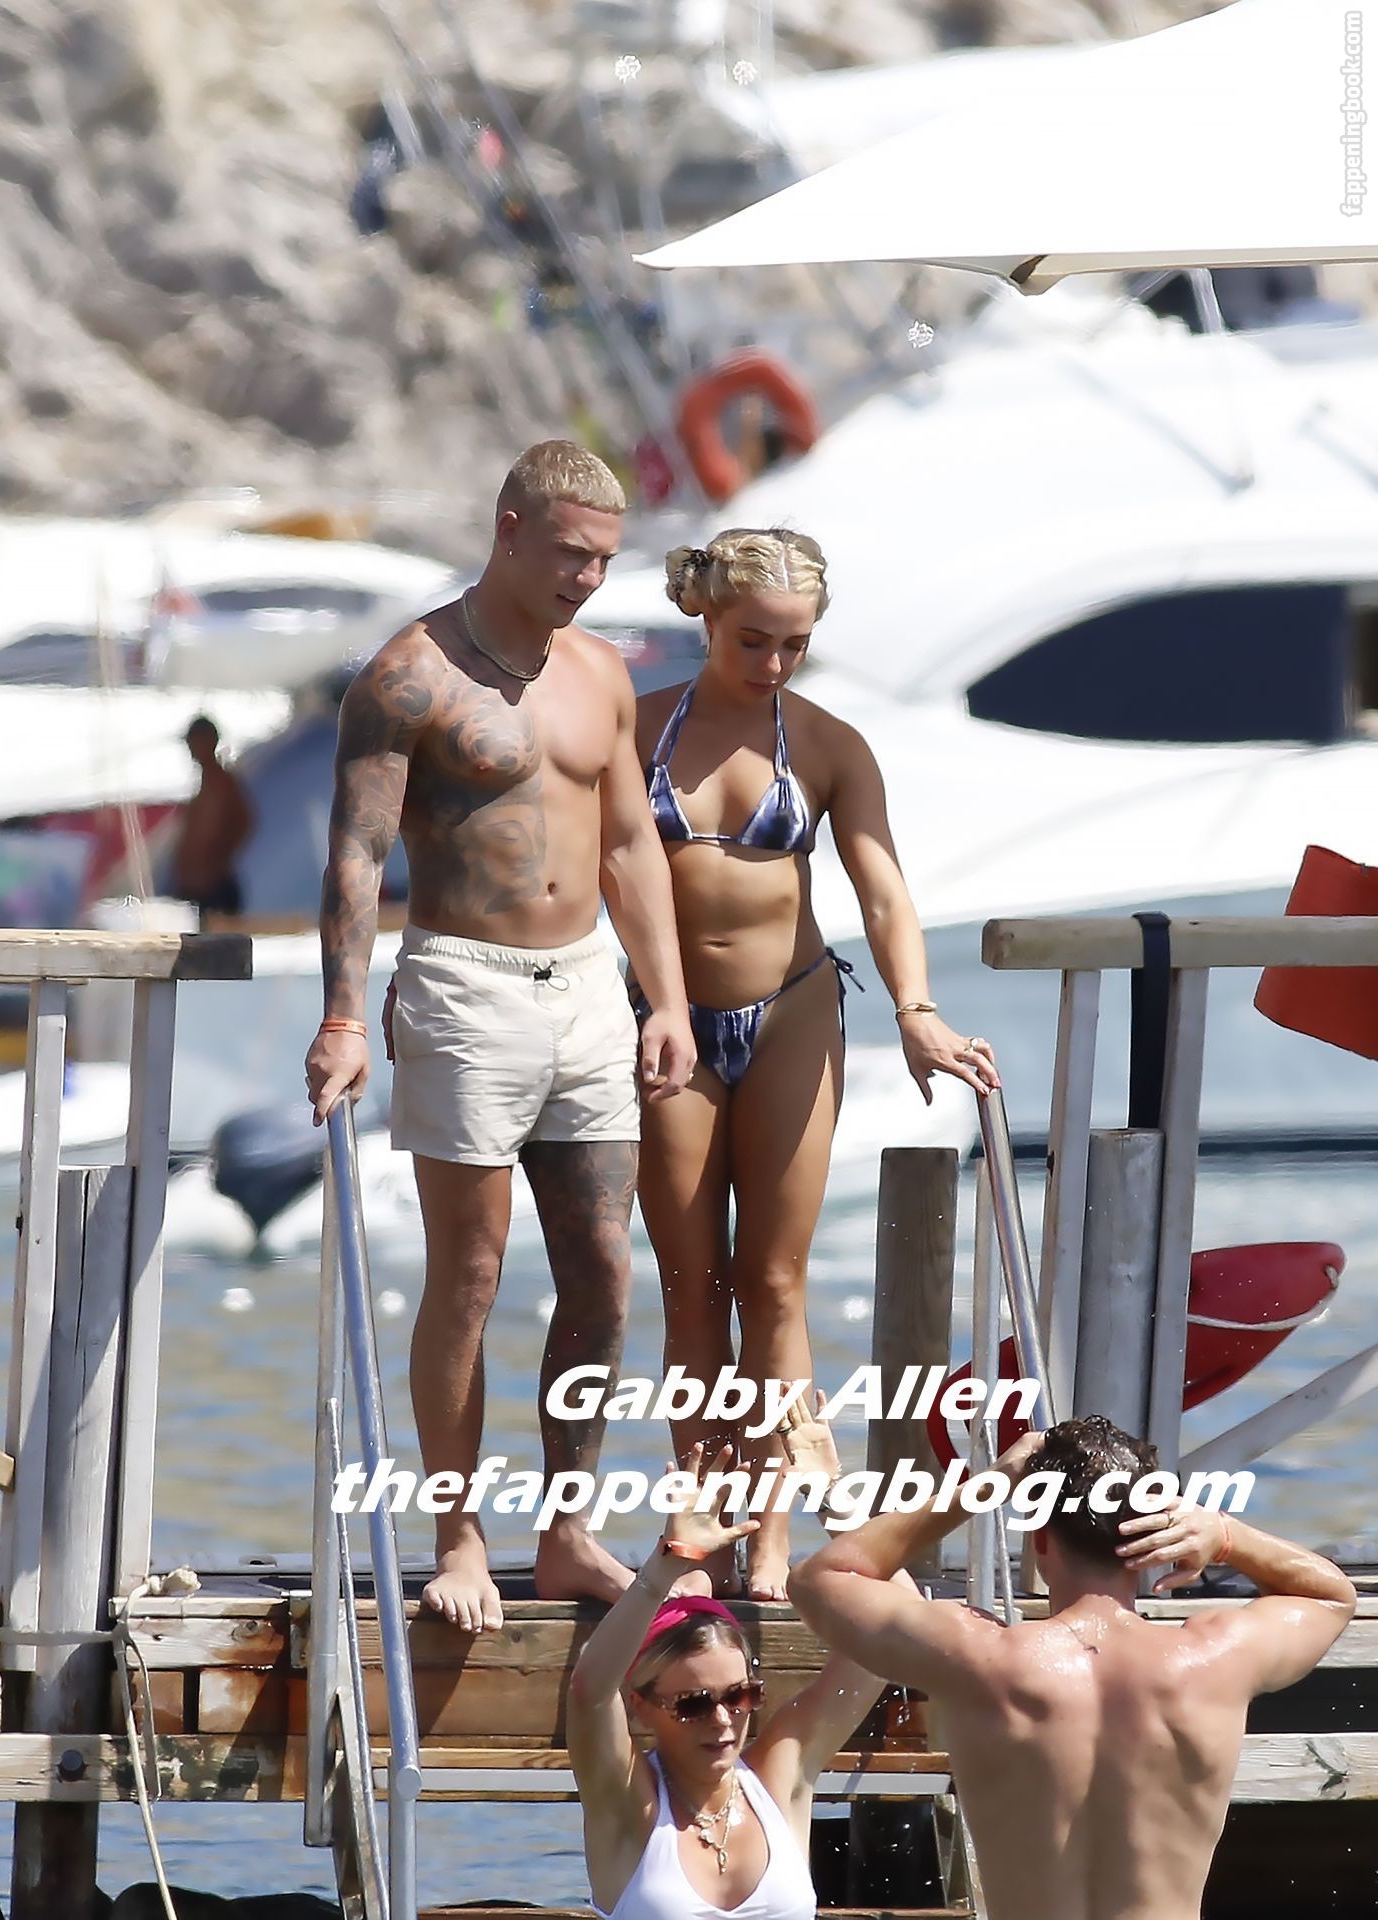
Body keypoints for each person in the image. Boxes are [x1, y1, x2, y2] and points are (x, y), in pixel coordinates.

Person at [304, 441, 696, 1632]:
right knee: (468, 1275)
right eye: (570, 554)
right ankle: (458, 1535)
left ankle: (567, 1531)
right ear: (508, 529)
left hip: (584, 987)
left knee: (603, 1271)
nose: (587, 578)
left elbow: (627, 843)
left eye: (604, 560)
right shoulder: (408, 676)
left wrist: (665, 999)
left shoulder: (600, 672)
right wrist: (341, 1014)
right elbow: (357, 853)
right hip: (465, 986)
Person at [634, 528, 999, 1601]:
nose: (774, 663)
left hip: (793, 1011)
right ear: (708, 617)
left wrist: (916, 1010)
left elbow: (882, 889)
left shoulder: (830, 745)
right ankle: (697, 1509)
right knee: (691, 1286)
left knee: (773, 1279)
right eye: (754, 640)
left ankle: (772, 1528)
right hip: (665, 1019)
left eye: (794, 645)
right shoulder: (638, 729)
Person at [788, 1413, 1357, 1920]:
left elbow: (822, 1578)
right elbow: (1331, 1596)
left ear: (1039, 1539)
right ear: (1155, 1538)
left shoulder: (981, 1659)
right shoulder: (1213, 1659)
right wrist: (1226, 1535)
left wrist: (985, 1485)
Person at [568, 1414, 886, 1920]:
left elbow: (893, 1635)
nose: (722, 1720)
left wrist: (833, 1498)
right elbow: (589, 1691)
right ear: (641, 1706)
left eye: (740, 1696)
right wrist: (664, 1567)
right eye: (693, 1704)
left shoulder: (780, 1775)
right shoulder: (627, 1802)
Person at [171, 717, 254, 922]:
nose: (191, 748)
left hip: (212, 886)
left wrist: (218, 860)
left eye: (194, 740)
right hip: (198, 884)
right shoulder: (206, 782)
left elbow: (243, 822)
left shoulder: (222, 783)